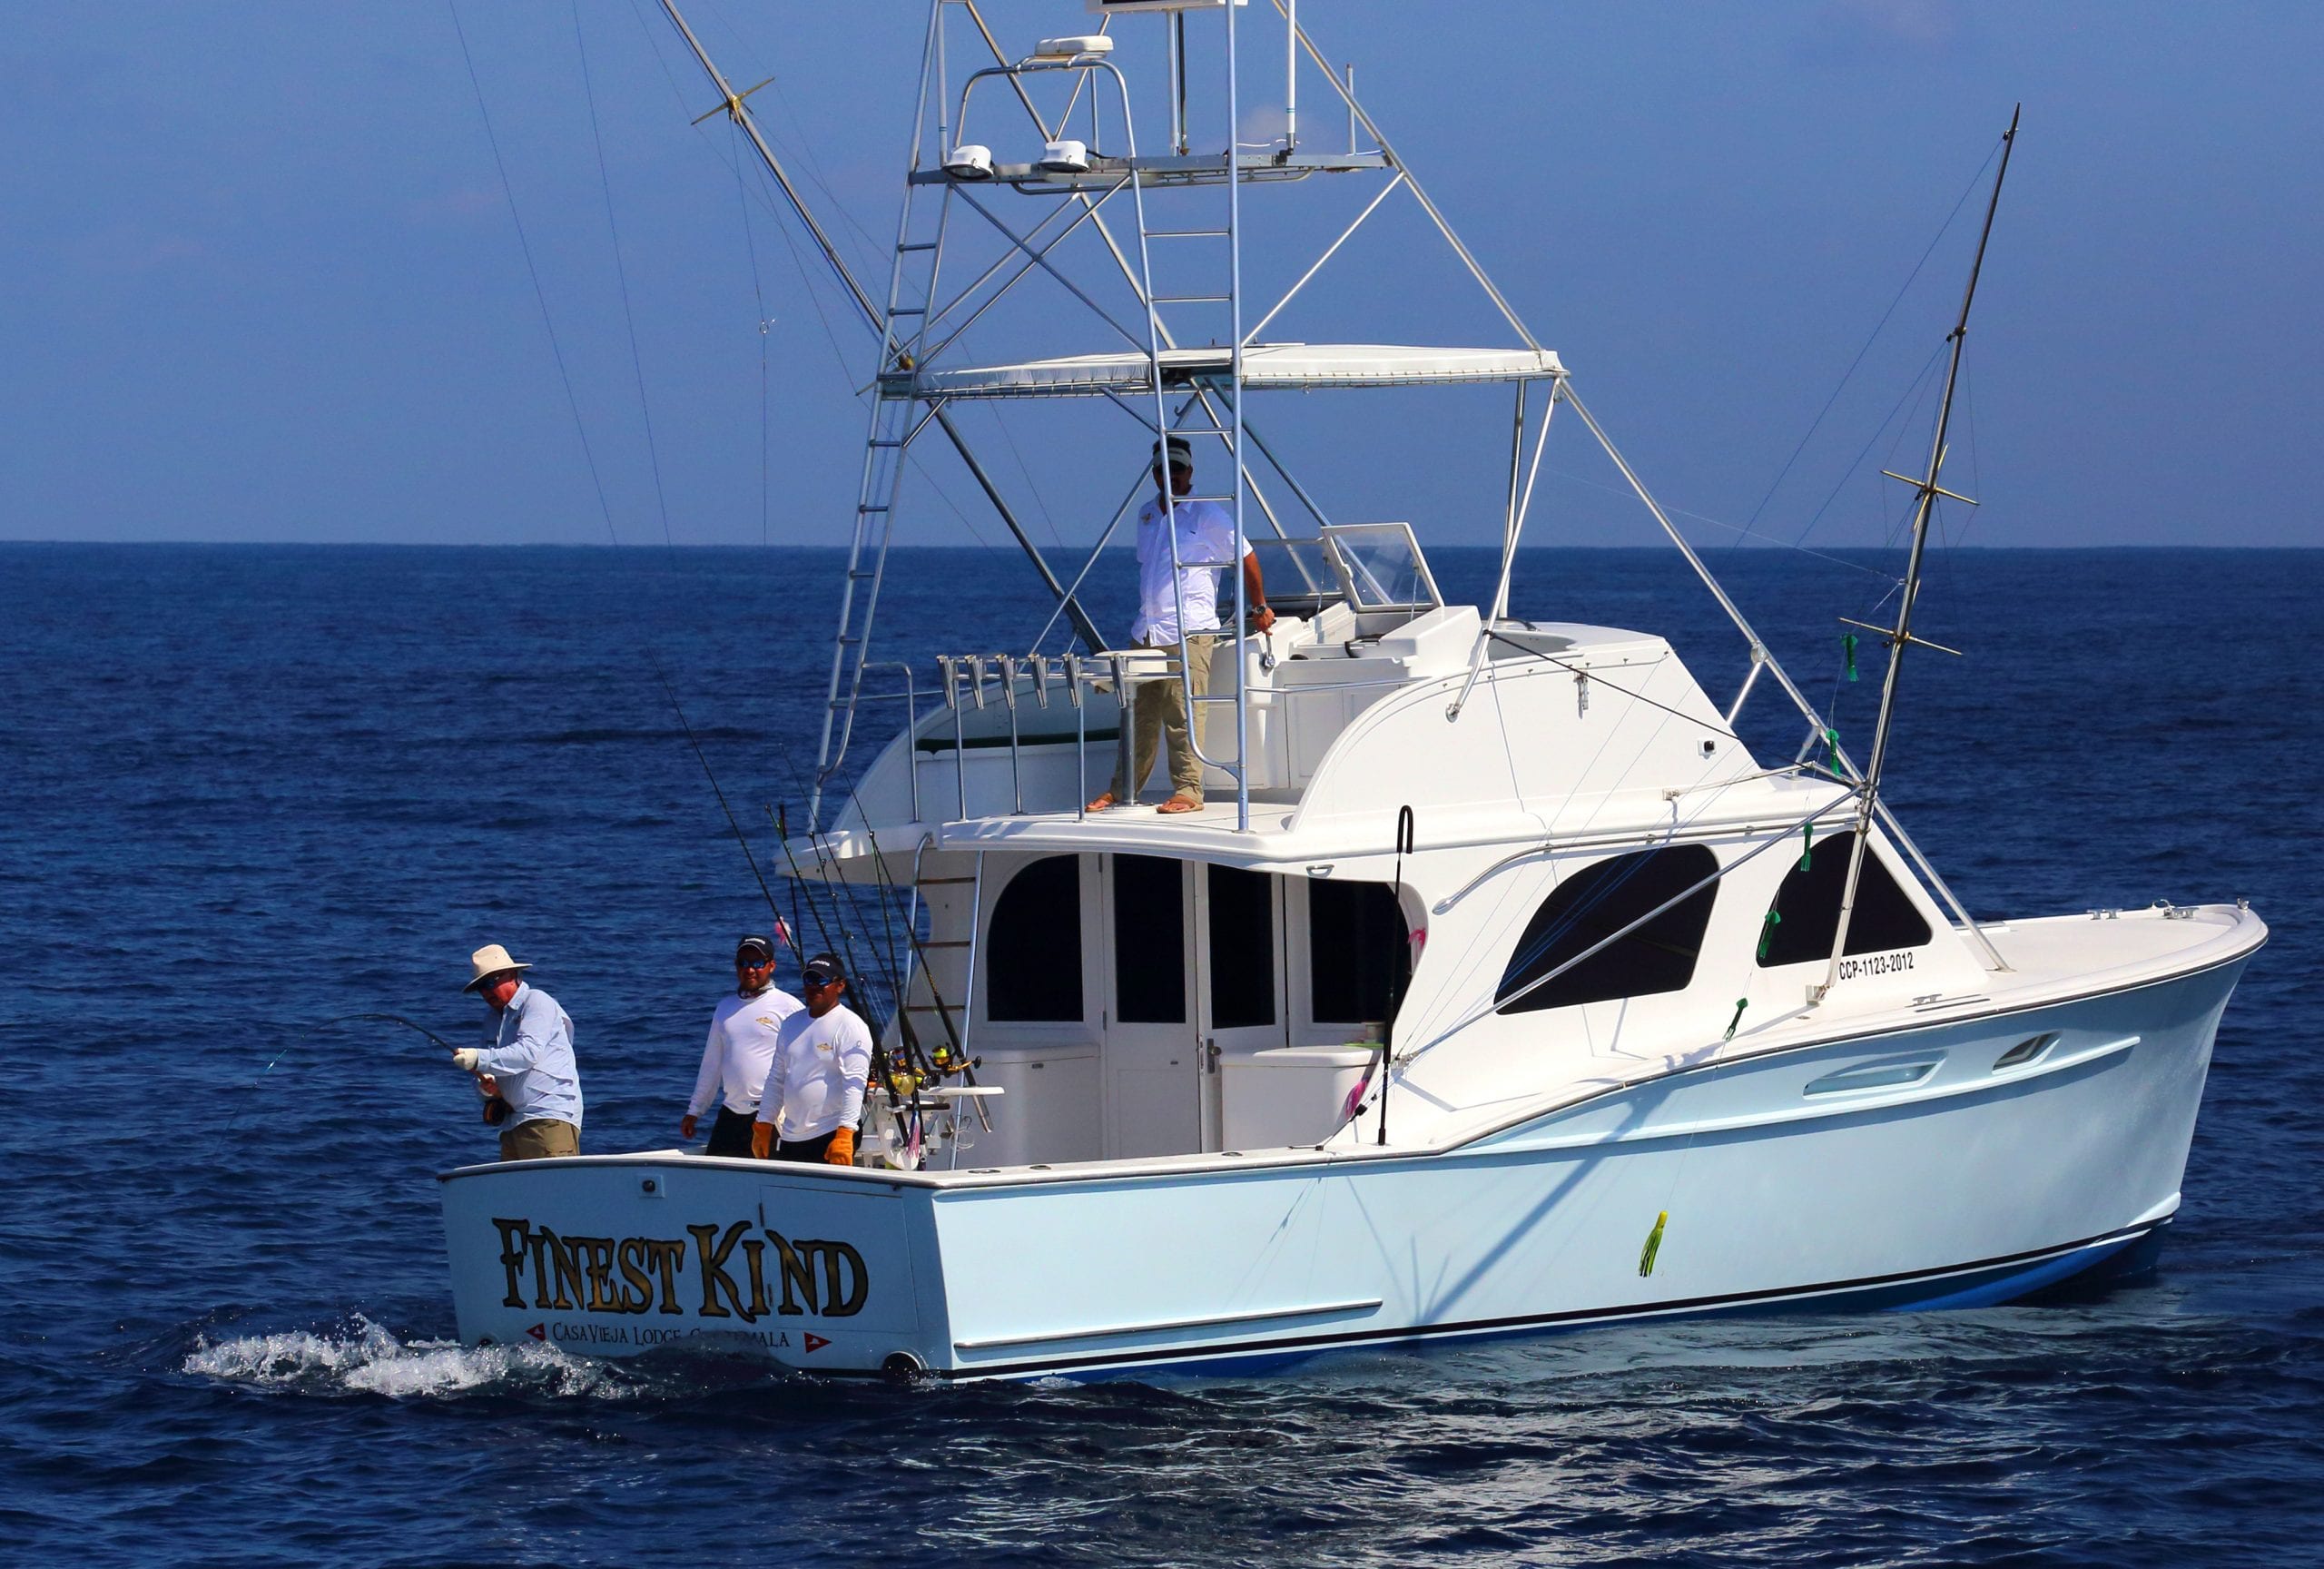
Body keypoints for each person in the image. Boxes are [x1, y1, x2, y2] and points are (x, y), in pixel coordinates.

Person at [1087, 434, 1274, 814]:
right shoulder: (1147, 514)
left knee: (1182, 713)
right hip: (1147, 631)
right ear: (1153, 473)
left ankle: (1189, 791)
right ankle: (1123, 789)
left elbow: (1247, 557)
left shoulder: (1209, 516)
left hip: (1189, 630)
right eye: (1162, 469)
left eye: (1177, 468)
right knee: (1137, 715)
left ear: (1190, 471)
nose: (1169, 475)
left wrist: (1260, 607)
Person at [449, 942, 583, 1161]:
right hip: (511, 1126)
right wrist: (486, 1088)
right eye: (481, 987)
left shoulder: (536, 1001)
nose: (487, 992)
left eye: (491, 982)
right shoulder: (492, 1020)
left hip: (547, 1120)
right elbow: (490, 1068)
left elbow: (528, 1052)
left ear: (512, 975)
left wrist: (477, 1058)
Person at [682, 934, 803, 1158]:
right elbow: (711, 1064)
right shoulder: (724, 1008)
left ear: (772, 966)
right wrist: (695, 1110)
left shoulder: (789, 1007)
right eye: (743, 963)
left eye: (758, 963)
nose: (750, 970)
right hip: (731, 1114)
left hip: (771, 1117)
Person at [750, 952, 872, 1166]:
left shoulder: (851, 1026)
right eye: (809, 979)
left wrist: (845, 1134)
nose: (813, 986)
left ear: (840, 985)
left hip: (830, 1134)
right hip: (791, 1136)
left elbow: (854, 1085)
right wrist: (764, 1123)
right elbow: (776, 1079)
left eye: (821, 980)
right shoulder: (790, 1024)